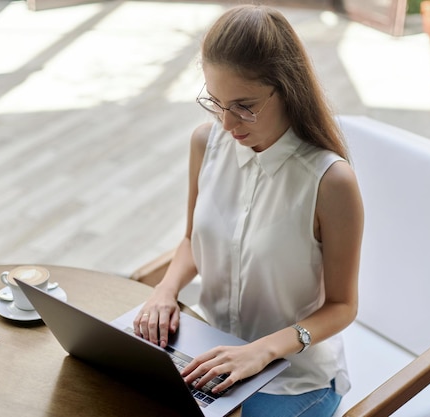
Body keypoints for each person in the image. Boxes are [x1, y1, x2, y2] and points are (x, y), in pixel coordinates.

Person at [133, 4, 364, 417]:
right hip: (208, 358)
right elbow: (191, 239)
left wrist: (261, 352)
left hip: (293, 380)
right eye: (216, 102)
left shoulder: (330, 182)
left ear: (287, 87)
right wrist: (165, 290)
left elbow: (343, 306)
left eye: (244, 105)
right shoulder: (206, 144)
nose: (227, 123)